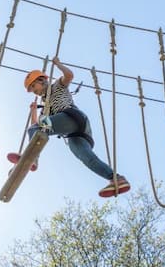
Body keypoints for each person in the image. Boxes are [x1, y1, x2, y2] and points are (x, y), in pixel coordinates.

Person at [13, 56, 130, 198]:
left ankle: (32, 158)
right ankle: (116, 179)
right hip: (75, 133)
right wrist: (33, 111)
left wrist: (58, 64)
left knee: (36, 128)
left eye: (33, 86)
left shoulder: (57, 85)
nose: (33, 91)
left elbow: (69, 76)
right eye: (31, 90)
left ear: (41, 80)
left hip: (72, 117)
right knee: (87, 158)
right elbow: (36, 128)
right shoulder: (46, 108)